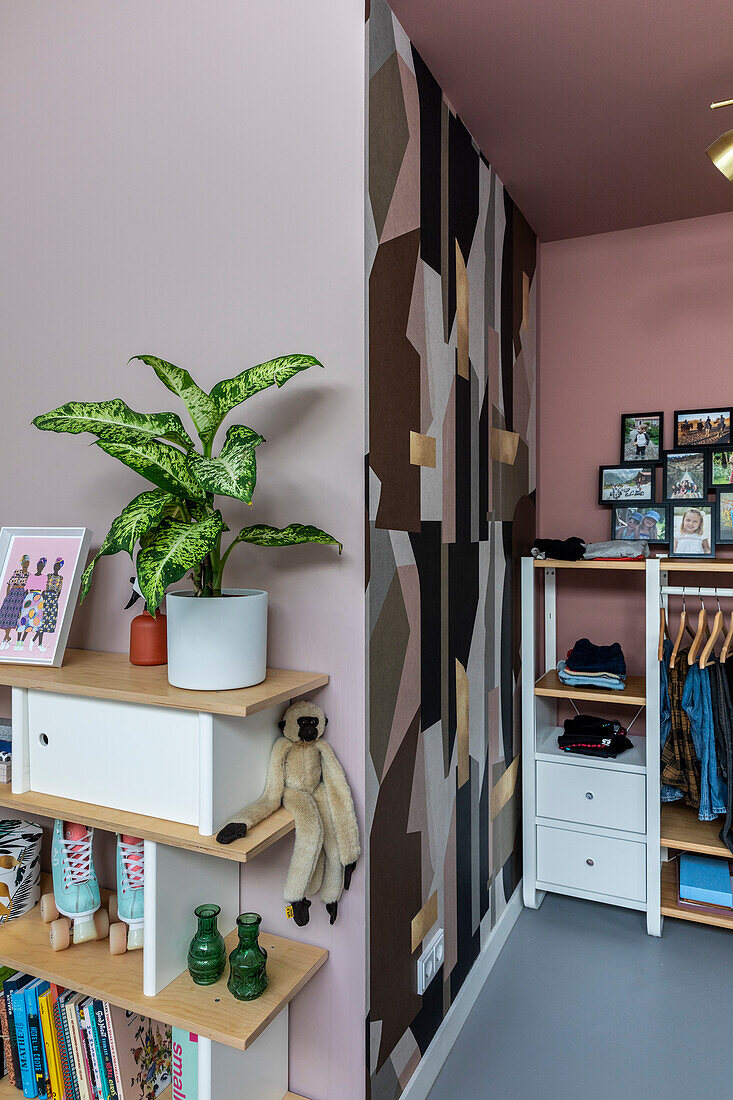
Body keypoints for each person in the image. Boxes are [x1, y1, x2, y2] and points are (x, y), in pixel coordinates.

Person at [32, 558, 64, 652]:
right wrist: (44, 597)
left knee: (48, 621)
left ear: (60, 568)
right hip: (46, 597)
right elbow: (44, 586)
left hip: (53, 599)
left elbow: (59, 590)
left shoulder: (60, 578)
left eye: (58, 566)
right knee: (42, 619)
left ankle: (34, 640)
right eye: (55, 565)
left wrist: (55, 600)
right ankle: (39, 643)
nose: (56, 567)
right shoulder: (48, 575)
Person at [16, 557, 47, 651]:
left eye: (41, 565)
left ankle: (23, 642)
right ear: (36, 565)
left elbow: (44, 590)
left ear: (43, 567)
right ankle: (18, 643)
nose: (39, 567)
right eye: (38, 565)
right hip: (29, 598)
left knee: (31, 621)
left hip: (38, 599)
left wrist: (41, 601)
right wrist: (26, 598)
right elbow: (26, 588)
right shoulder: (31, 576)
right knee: (23, 619)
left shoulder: (44, 577)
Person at [0, 555, 30, 649]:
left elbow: (27, 589)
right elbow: (9, 584)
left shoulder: (29, 575)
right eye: (24, 562)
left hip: (20, 596)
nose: (26, 564)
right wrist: (7, 595)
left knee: (13, 617)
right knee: (6, 615)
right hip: (12, 594)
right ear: (22, 563)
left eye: (27, 563)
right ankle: (7, 638)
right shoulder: (16, 572)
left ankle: (6, 639)